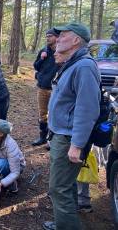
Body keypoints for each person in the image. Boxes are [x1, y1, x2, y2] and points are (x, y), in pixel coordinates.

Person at [43, 23, 101, 230]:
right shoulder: (74, 63)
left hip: (68, 138)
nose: (58, 39)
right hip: (63, 135)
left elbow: (87, 109)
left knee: (58, 189)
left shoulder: (84, 66)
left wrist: (77, 144)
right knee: (65, 187)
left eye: (63, 35)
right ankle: (63, 223)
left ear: (76, 40)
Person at [32, 28, 59, 146]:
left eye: (50, 36)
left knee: (54, 114)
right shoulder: (43, 51)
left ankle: (51, 140)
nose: (48, 38)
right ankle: (42, 137)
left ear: (56, 37)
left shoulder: (61, 51)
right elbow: (36, 66)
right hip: (43, 87)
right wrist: (41, 58)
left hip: (56, 89)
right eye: (47, 36)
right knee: (43, 114)